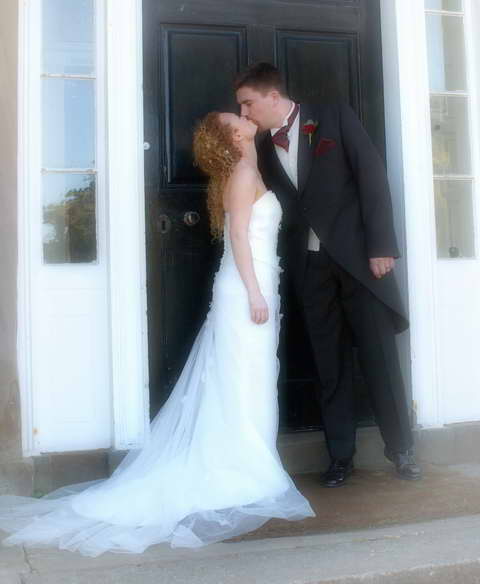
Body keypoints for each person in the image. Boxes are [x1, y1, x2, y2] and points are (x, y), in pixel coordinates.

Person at [0, 112, 314, 557]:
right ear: (233, 136)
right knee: (244, 376)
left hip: (258, 283)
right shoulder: (244, 175)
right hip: (248, 288)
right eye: (237, 117)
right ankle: (247, 467)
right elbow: (239, 238)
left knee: (252, 375)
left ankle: (253, 458)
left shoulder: (249, 168)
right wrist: (254, 292)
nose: (245, 116)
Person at [235, 62, 422, 488]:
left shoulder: (334, 116)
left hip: (361, 262)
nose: (245, 112)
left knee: (379, 359)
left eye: (248, 103)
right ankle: (340, 457)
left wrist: (381, 246)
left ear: (273, 96)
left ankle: (402, 451)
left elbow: (371, 176)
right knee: (328, 365)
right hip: (310, 268)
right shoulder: (262, 147)